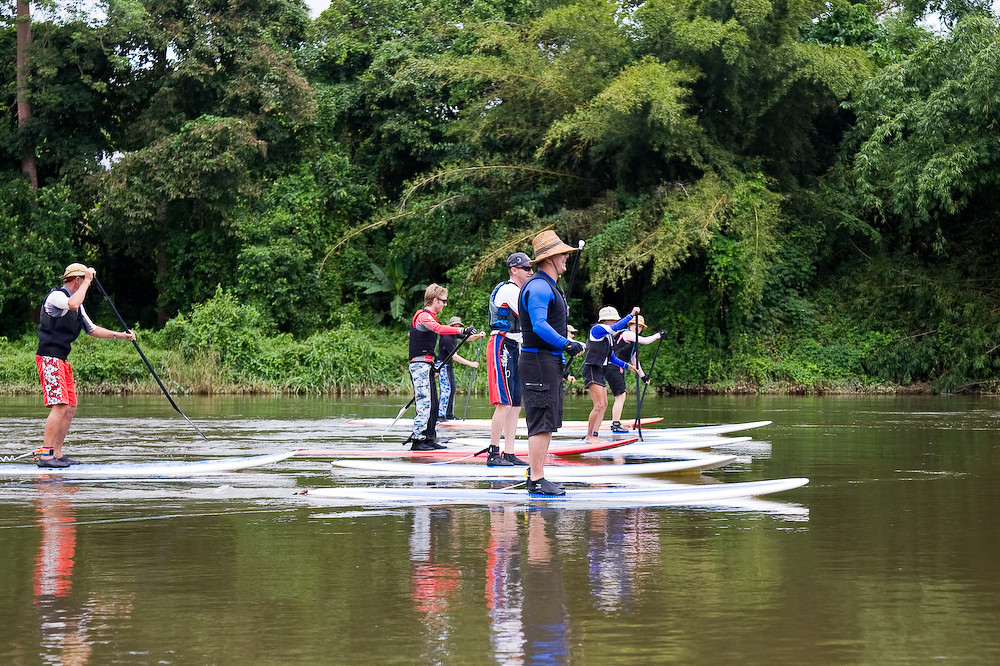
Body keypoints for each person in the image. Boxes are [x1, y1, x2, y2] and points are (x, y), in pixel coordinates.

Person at [35, 263, 136, 468]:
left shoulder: (78, 305)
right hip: (49, 357)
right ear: (78, 280)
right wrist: (89, 280)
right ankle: (46, 455)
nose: (87, 287)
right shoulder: (57, 297)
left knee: (70, 406)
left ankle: (57, 453)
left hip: (62, 359)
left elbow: (92, 329)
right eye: (85, 281)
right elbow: (72, 303)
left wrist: (121, 336)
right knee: (60, 405)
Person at [518, 231, 584, 495]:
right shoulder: (539, 287)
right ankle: (535, 479)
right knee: (541, 421)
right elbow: (539, 325)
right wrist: (566, 343)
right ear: (551, 258)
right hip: (537, 362)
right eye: (563, 253)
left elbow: (547, 325)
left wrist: (563, 341)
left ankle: (538, 475)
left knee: (548, 421)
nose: (567, 256)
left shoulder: (546, 286)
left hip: (547, 362)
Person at [408, 284, 477, 451]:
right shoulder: (423, 316)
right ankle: (418, 441)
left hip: (427, 365)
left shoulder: (431, 316)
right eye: (444, 301)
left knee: (434, 404)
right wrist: (462, 329)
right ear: (435, 300)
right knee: (425, 403)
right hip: (419, 366)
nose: (445, 305)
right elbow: (439, 329)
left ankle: (429, 439)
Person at [486, 251, 534, 466]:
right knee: (504, 402)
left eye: (531, 268)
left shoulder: (521, 290)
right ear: (515, 270)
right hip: (501, 344)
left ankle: (510, 452)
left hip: (515, 345)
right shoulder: (509, 290)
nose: (531, 272)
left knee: (515, 403)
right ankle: (493, 453)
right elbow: (529, 315)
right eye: (527, 269)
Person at [581, 306, 644, 445]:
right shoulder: (596, 329)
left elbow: (612, 358)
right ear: (606, 320)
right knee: (598, 405)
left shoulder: (608, 338)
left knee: (604, 404)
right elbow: (615, 328)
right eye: (613, 320)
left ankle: (595, 434)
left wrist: (628, 366)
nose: (615, 323)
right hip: (592, 368)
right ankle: (589, 436)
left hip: (600, 370)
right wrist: (631, 315)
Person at [608, 315, 665, 433]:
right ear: (630, 325)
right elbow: (646, 341)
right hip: (612, 367)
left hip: (618, 369)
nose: (638, 328)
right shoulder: (627, 334)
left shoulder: (633, 344)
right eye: (636, 326)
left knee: (620, 396)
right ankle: (615, 424)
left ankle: (615, 422)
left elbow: (635, 362)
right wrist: (658, 335)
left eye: (640, 327)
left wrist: (643, 377)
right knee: (621, 395)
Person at [437, 315, 481, 422]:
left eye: (458, 326)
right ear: (451, 326)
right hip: (442, 365)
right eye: (455, 326)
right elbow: (454, 356)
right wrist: (471, 364)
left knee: (452, 389)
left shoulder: (455, 334)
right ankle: (440, 415)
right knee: (446, 390)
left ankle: (449, 414)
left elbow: (468, 338)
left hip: (448, 365)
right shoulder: (447, 337)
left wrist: (479, 335)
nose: (457, 327)